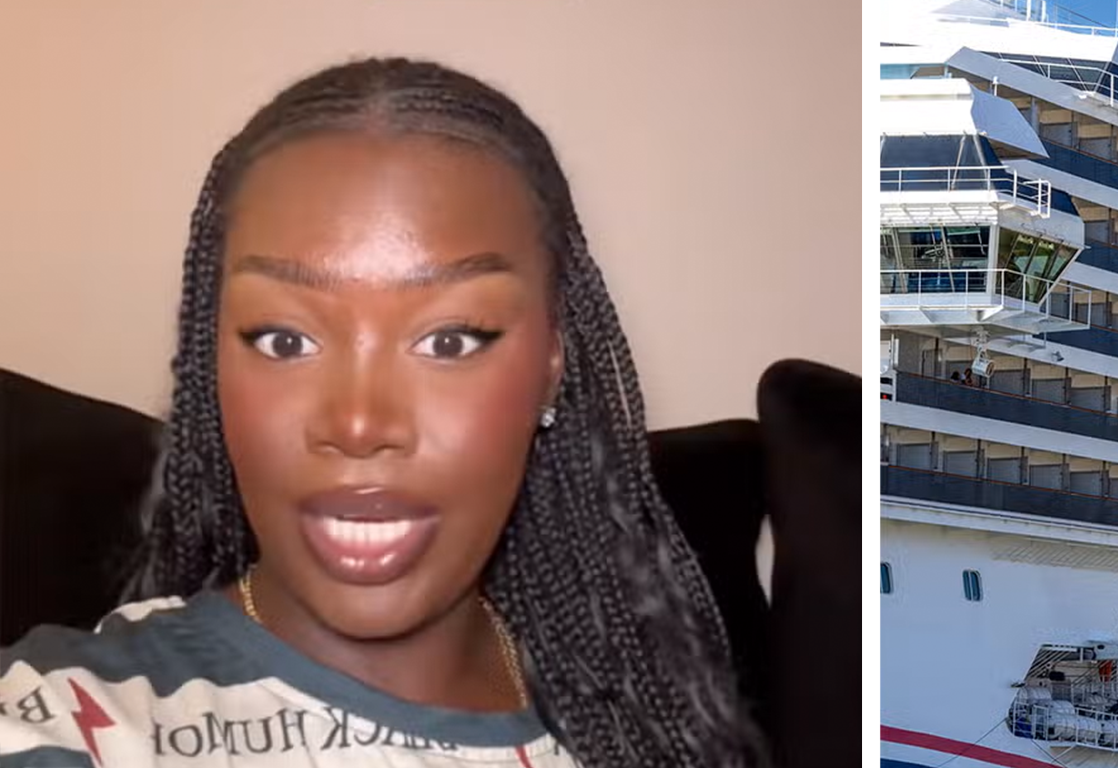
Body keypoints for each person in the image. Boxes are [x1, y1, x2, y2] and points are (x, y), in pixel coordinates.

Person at [0, 59, 763, 766]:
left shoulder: (642, 718)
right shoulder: (70, 715)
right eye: (284, 338)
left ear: (552, 364)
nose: (359, 424)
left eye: (452, 338)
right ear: (212, 365)